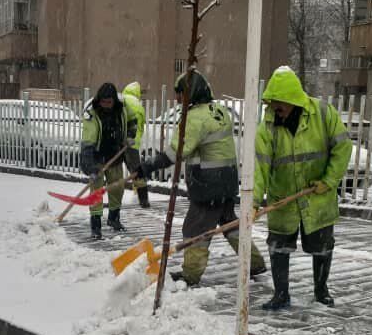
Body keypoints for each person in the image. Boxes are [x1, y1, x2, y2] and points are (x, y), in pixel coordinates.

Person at [134, 70, 266, 286]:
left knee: (195, 228)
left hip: (208, 184)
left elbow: (177, 152)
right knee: (230, 224)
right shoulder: (220, 111)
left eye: (180, 95)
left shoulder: (194, 117)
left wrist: (147, 167)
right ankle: (254, 262)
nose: (177, 100)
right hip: (227, 181)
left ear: (191, 93)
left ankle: (191, 275)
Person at [253, 66, 352, 310]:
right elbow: (260, 166)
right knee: (278, 246)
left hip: (318, 196)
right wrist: (254, 201)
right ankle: (281, 294)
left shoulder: (322, 113)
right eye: (272, 104)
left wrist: (328, 181)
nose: (276, 109)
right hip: (282, 198)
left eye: (280, 104)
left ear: (293, 100)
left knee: (322, 247)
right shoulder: (267, 125)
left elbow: (343, 147)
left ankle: (321, 291)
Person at [81, 82, 139, 239]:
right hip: (97, 158)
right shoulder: (92, 114)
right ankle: (96, 224)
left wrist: (130, 136)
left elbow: (133, 121)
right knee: (96, 192)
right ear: (99, 100)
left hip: (115, 155)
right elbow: (87, 141)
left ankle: (114, 218)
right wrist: (89, 167)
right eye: (103, 102)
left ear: (114, 100)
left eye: (109, 102)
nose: (106, 105)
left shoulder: (122, 109)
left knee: (117, 188)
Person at [122, 81, 151, 208]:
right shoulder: (138, 105)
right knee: (137, 172)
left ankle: (114, 201)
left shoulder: (123, 100)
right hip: (133, 143)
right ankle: (143, 198)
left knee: (114, 170)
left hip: (121, 141)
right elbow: (140, 126)